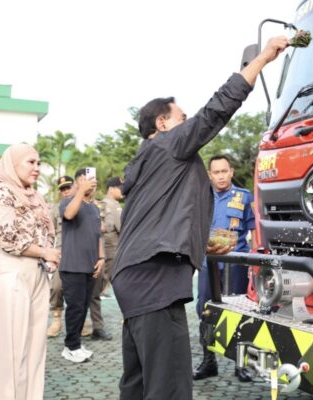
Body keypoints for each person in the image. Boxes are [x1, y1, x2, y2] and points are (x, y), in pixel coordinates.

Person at [110, 36, 288, 399]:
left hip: (134, 278)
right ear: (162, 123)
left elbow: (156, 222)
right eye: (181, 117)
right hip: (155, 280)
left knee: (138, 380)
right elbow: (217, 110)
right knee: (169, 384)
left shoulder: (145, 163)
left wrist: (200, 242)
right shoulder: (169, 144)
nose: (189, 123)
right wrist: (262, 60)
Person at [0, 143, 58, 400]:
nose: (36, 168)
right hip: (10, 274)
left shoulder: (35, 197)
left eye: (38, 162)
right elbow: (8, 237)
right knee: (6, 354)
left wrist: (48, 256)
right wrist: (45, 252)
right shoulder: (1, 193)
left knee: (34, 351)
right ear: (13, 164)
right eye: (30, 162)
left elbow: (46, 235)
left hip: (36, 274)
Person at [193, 155, 256, 381]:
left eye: (224, 171)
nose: (220, 176)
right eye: (216, 172)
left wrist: (254, 263)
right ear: (210, 175)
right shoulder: (201, 198)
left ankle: (242, 365)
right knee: (205, 310)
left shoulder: (244, 197)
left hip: (235, 263)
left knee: (240, 312)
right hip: (208, 263)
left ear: (231, 172)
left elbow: (254, 230)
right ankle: (208, 362)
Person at [59, 168, 104, 363]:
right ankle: (70, 346)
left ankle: (76, 343)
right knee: (75, 307)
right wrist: (79, 191)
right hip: (72, 265)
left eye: (93, 179)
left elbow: (98, 235)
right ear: (77, 182)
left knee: (83, 306)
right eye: (86, 179)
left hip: (90, 266)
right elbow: (69, 215)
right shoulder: (68, 201)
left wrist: (101, 258)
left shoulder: (94, 207)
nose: (91, 183)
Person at [87, 177, 123, 341]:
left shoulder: (111, 206)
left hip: (112, 251)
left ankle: (96, 325)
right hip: (109, 252)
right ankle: (95, 326)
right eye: (120, 188)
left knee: (97, 289)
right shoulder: (108, 206)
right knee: (97, 289)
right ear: (112, 188)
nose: (122, 191)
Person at [47, 175, 75, 338]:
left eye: (68, 187)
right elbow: (49, 233)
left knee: (78, 289)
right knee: (56, 286)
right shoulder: (55, 209)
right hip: (60, 252)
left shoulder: (84, 206)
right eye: (62, 189)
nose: (65, 191)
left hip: (78, 252)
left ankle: (81, 320)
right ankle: (56, 319)